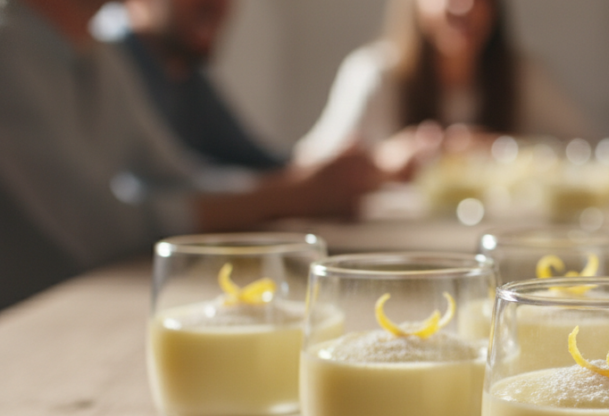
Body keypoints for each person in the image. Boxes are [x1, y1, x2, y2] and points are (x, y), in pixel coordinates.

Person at [0, 0, 382, 310]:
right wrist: (290, 195)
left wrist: (295, 191)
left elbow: (177, 175)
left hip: (89, 309)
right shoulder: (9, 51)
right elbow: (98, 225)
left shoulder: (97, 54)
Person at [294, 0, 590, 177]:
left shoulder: (523, 75)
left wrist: (500, 149)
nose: (464, 6)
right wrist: (385, 160)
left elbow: (587, 152)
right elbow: (304, 168)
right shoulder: (373, 72)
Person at [115, 0, 286, 170]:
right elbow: (167, 179)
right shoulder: (114, 69)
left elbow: (257, 160)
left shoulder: (187, 79)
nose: (218, 4)